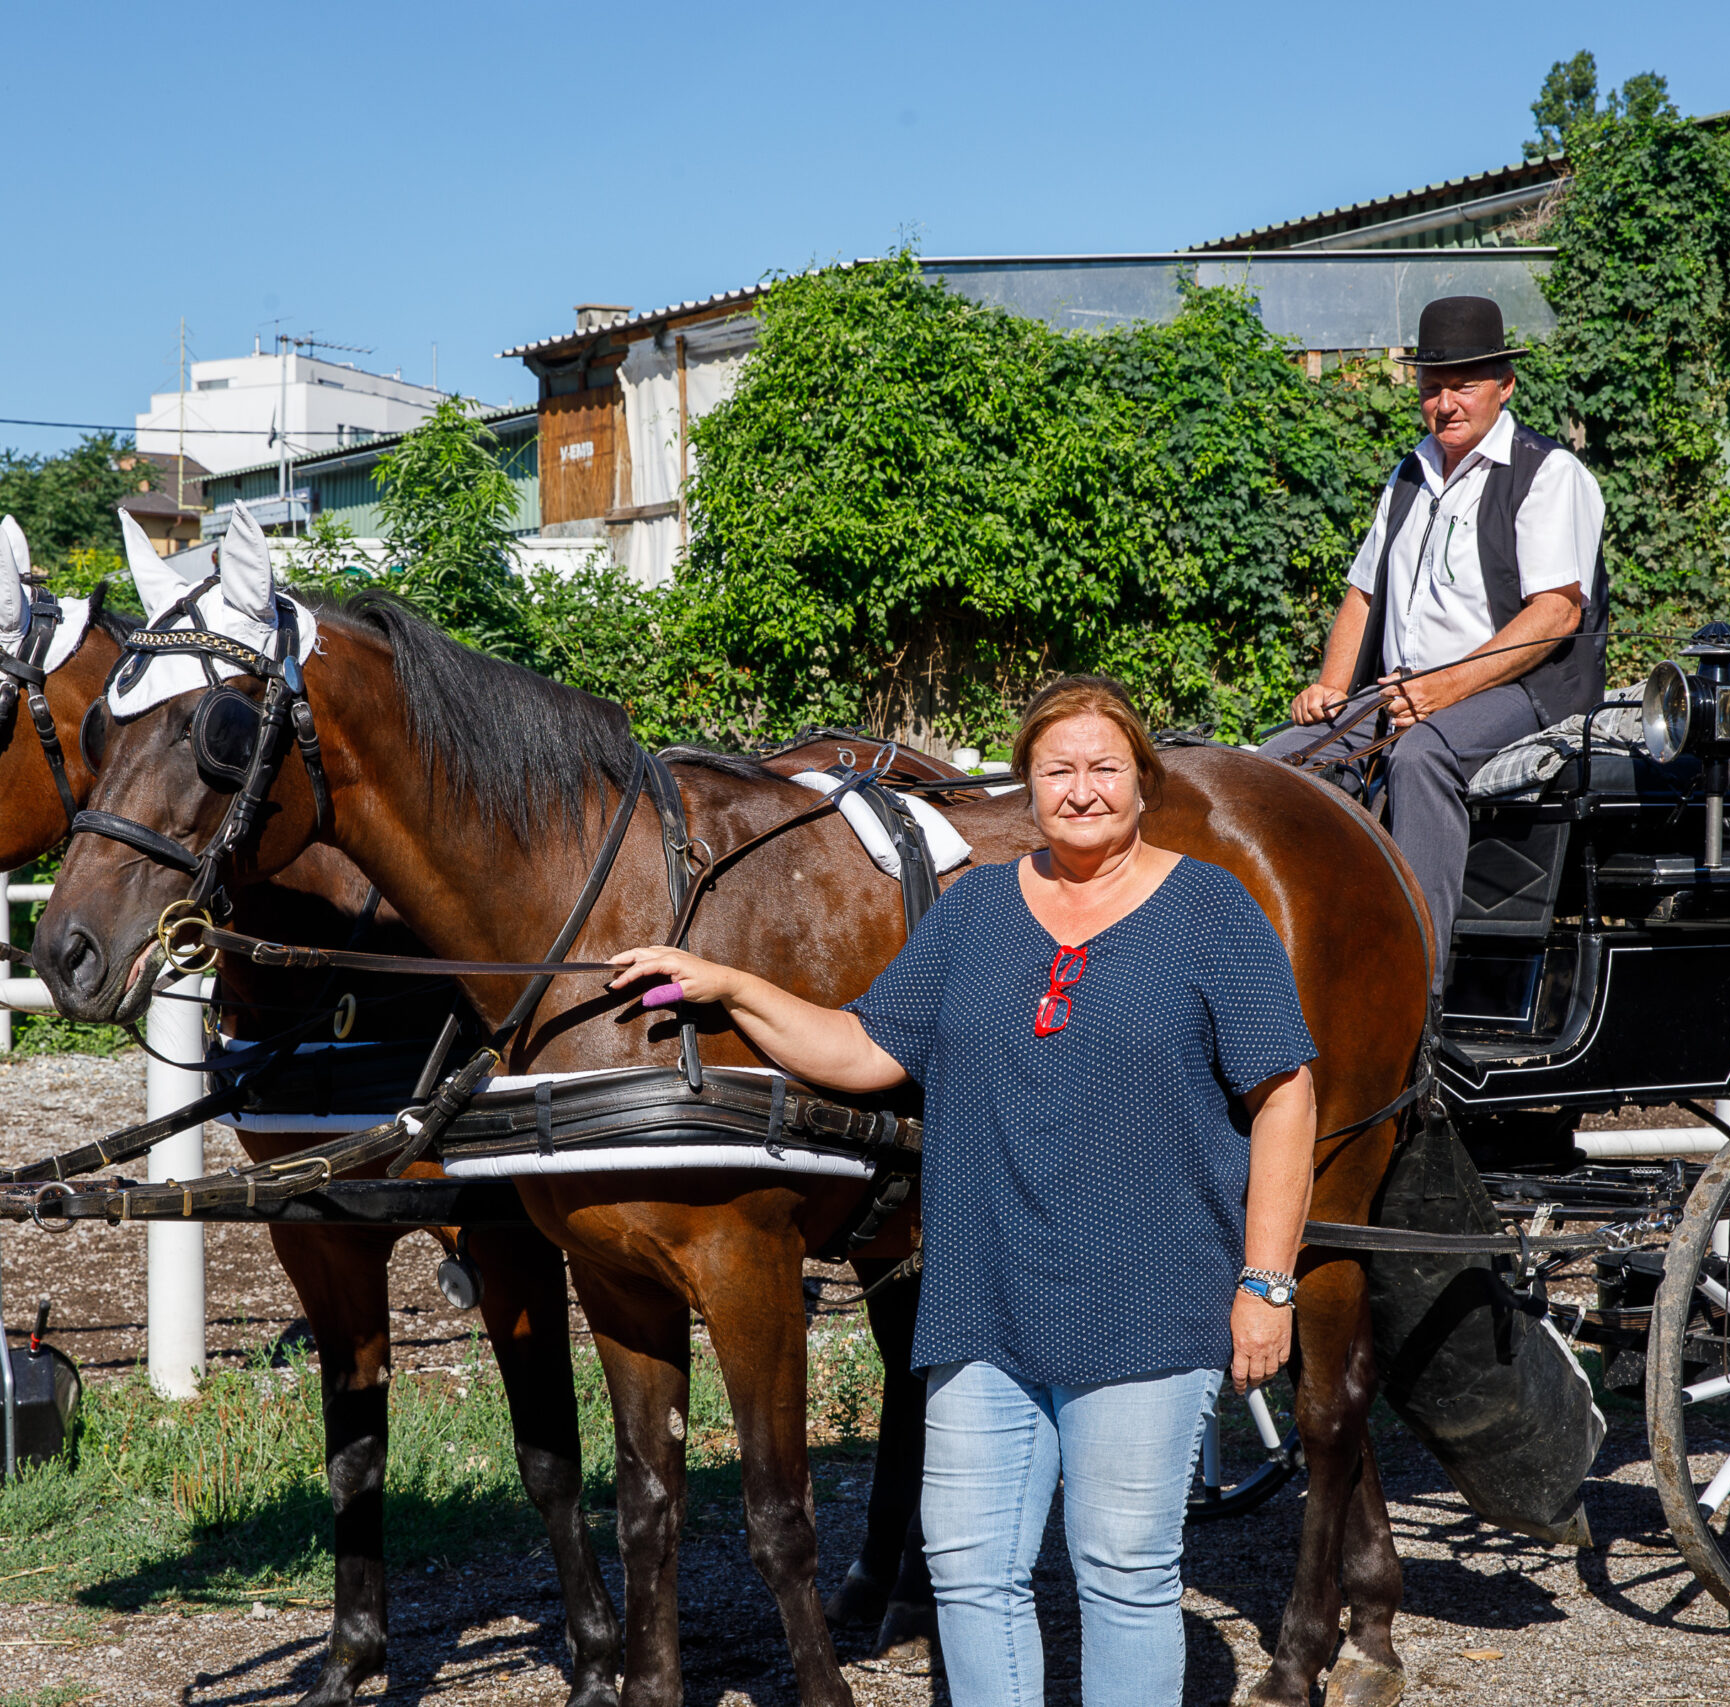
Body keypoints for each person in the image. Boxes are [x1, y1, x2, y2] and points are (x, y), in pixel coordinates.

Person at [606, 675, 1317, 1707]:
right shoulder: (977, 907)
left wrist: (1267, 1281)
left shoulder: (1208, 908)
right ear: (1025, 786)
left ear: (1142, 782)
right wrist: (734, 986)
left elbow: (1285, 1096)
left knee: (1122, 1571)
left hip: (1147, 1299)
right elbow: (859, 1048)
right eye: (1057, 770)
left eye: (1103, 768)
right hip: (981, 1302)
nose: (1081, 791)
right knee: (971, 1573)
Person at [1259, 293, 1608, 970]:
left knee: (1422, 759)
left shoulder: (1547, 473)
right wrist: (1331, 686)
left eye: (1464, 386)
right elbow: (1364, 591)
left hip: (1525, 689)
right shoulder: (1409, 474)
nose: (1446, 403)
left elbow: (1556, 613)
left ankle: (1415, 984)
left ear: (1505, 386)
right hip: (1405, 690)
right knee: (1279, 765)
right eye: (1432, 387)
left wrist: (1444, 689)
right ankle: (1300, 967)